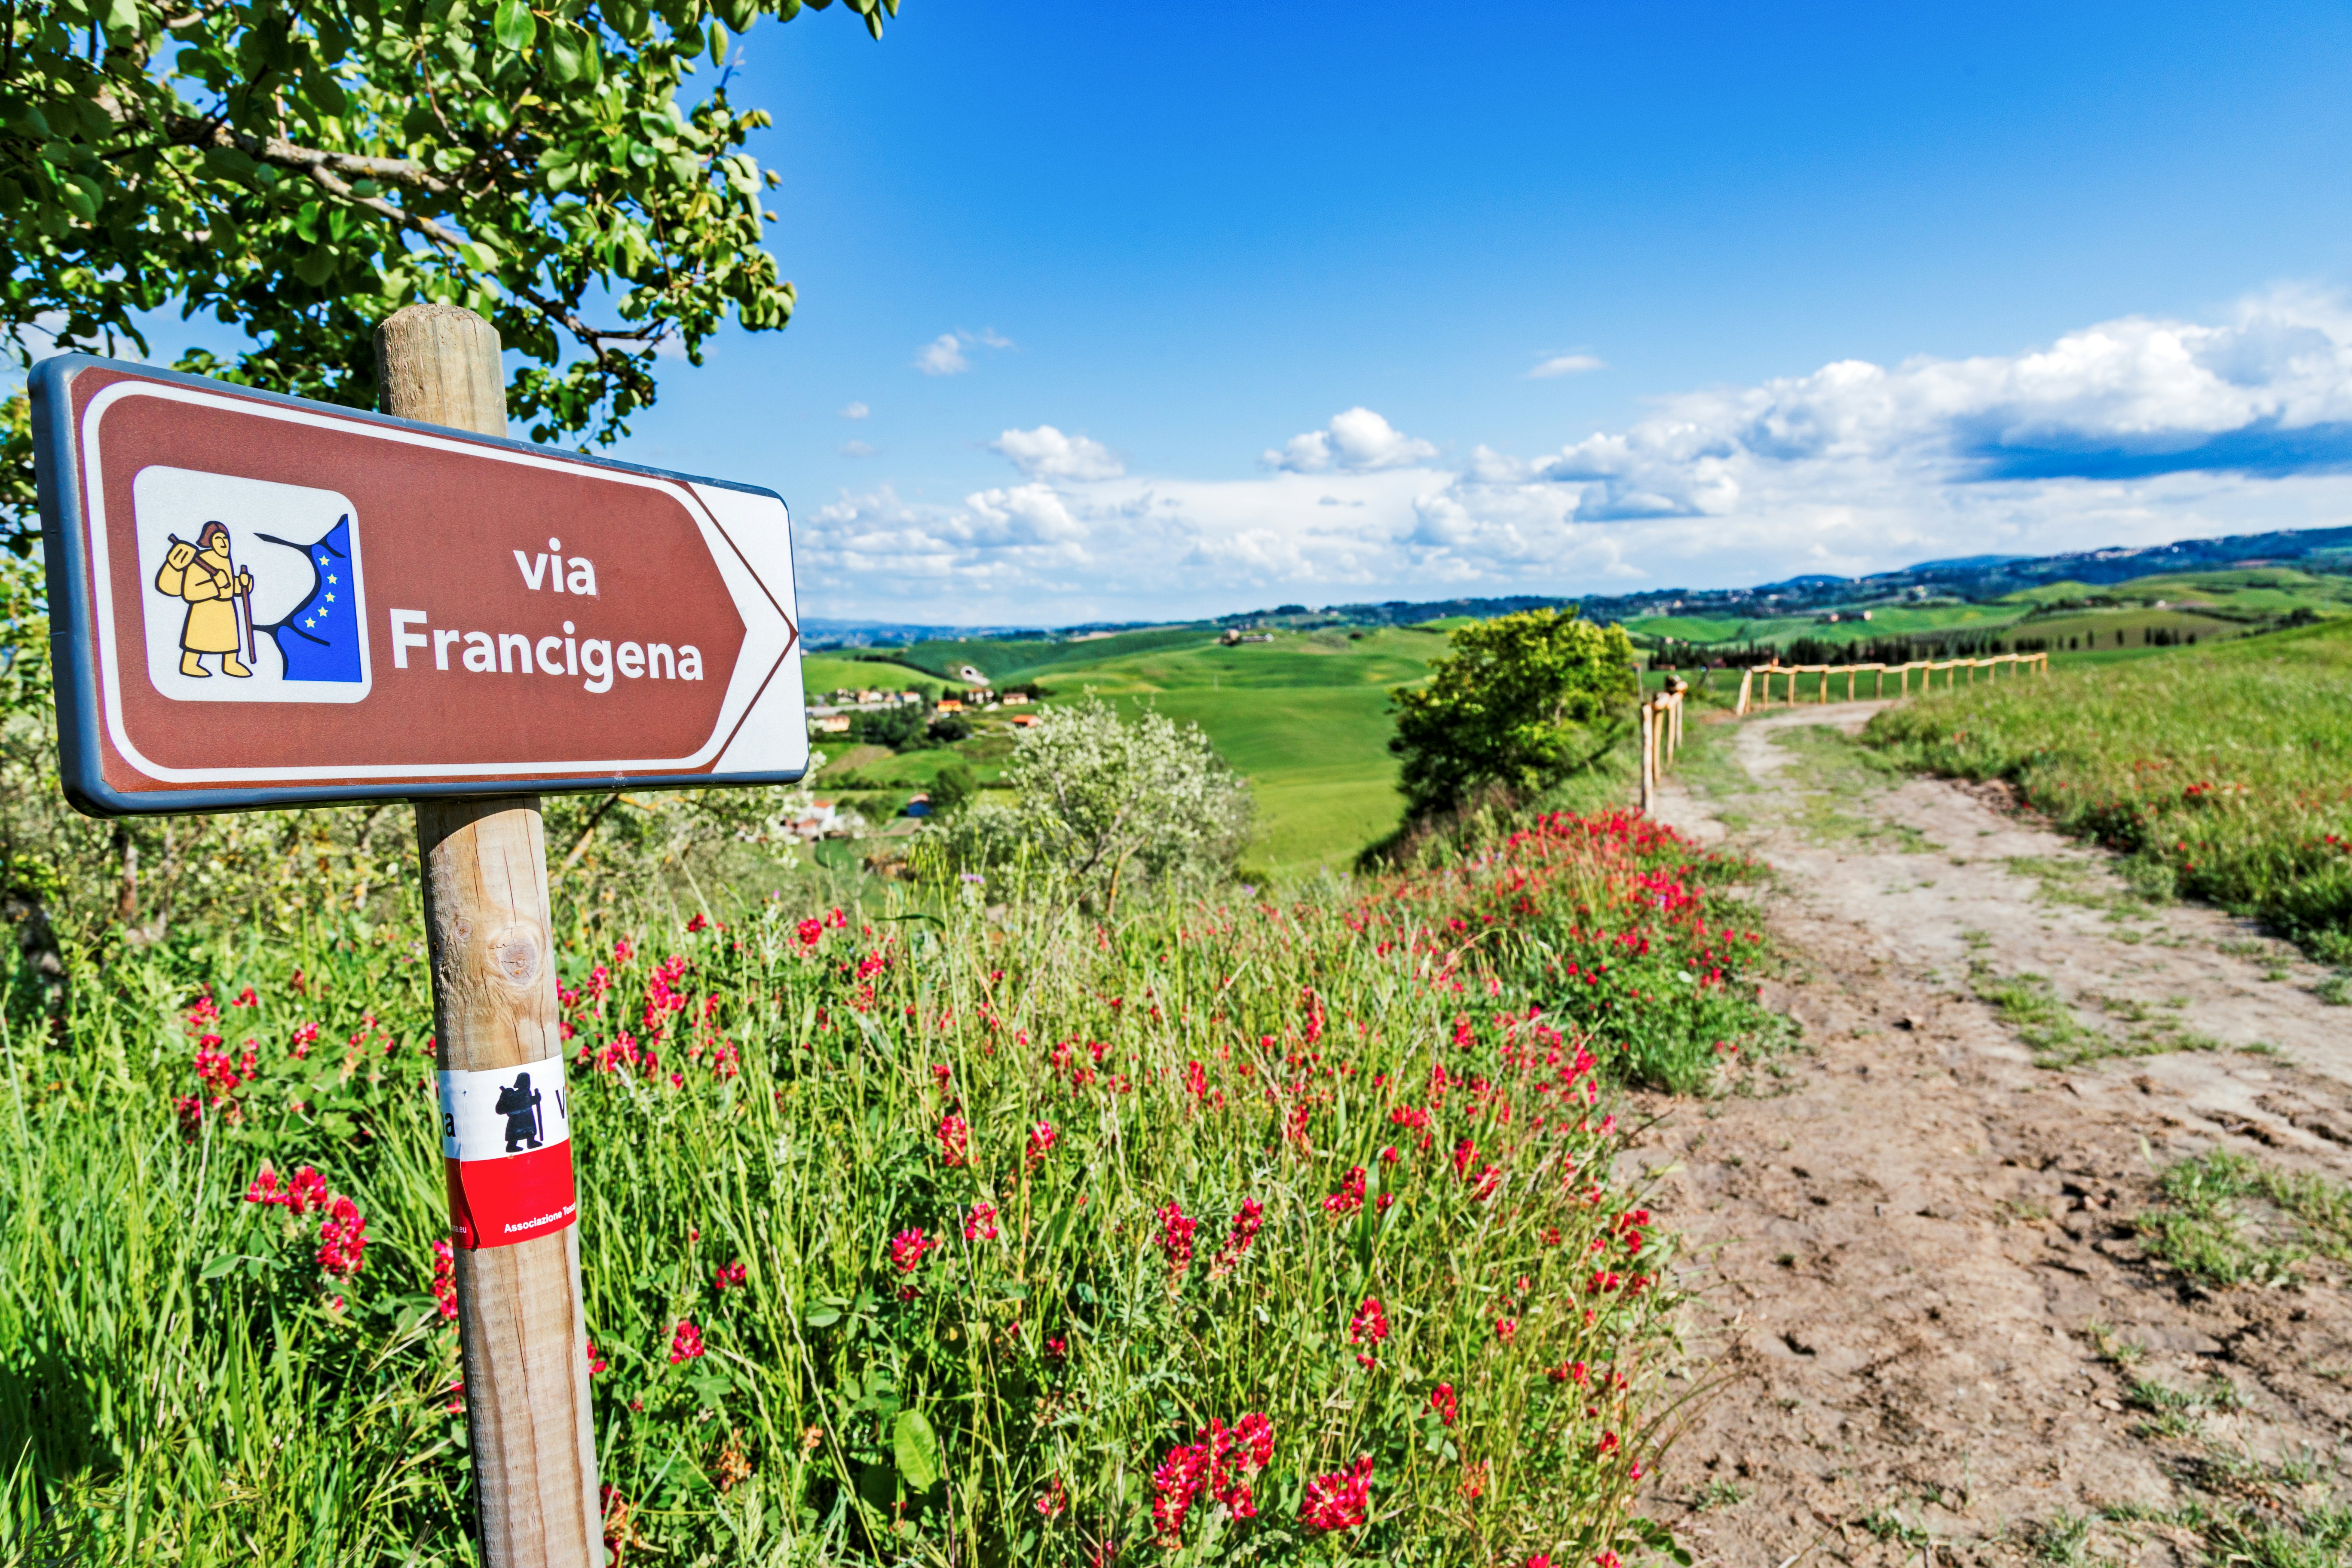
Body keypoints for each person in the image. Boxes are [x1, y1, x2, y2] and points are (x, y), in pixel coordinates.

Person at [153, 521, 252, 678]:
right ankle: (189, 665)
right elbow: (190, 592)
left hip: (226, 611)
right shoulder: (200, 561)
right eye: (218, 539)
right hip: (205, 611)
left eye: (225, 539)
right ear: (211, 542)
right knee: (198, 639)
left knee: (229, 639)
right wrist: (215, 585)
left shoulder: (226, 560)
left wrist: (243, 584)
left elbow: (229, 585)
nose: (223, 543)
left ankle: (230, 663)